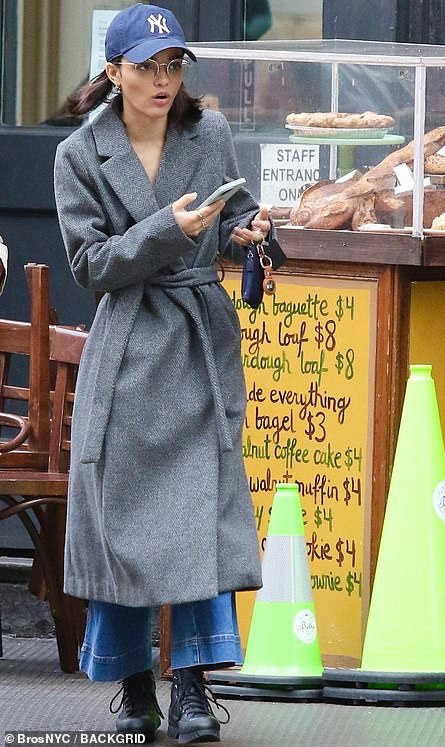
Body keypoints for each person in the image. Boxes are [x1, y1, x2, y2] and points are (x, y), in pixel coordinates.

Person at [53, 4, 270, 743]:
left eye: (173, 66)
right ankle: (137, 686)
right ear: (113, 72)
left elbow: (233, 213)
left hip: (200, 347)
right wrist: (163, 231)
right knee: (123, 523)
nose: (164, 80)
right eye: (148, 66)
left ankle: (198, 692)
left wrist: (249, 231)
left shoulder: (210, 132)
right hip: (128, 356)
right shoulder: (79, 155)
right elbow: (91, 266)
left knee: (202, 514)